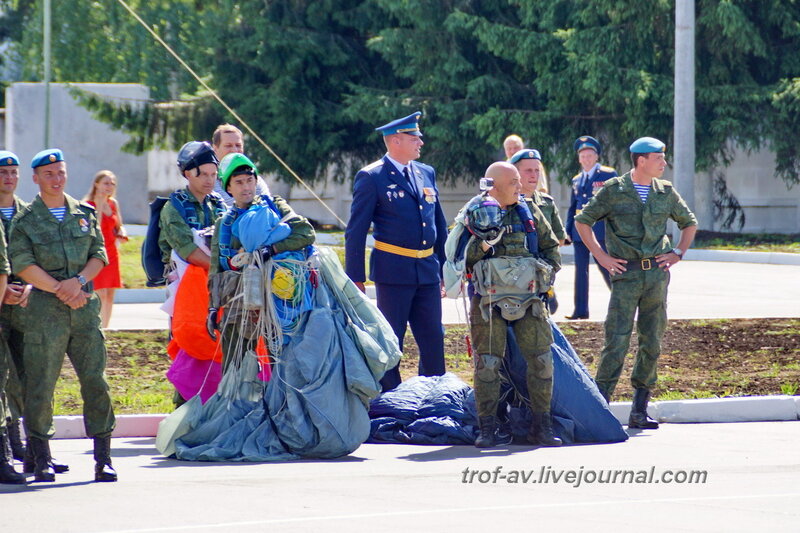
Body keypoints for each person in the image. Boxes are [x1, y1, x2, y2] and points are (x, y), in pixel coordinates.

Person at [8, 149, 117, 482]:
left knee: (96, 383)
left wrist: (79, 282)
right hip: (44, 314)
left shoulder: (83, 213)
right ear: (36, 179)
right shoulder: (24, 220)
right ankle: (41, 456)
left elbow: (100, 254)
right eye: (49, 174)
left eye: (61, 172)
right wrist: (62, 289)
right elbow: (23, 265)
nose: (57, 179)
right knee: (40, 386)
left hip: (83, 310)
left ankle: (103, 457)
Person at [574, 137, 697, 429]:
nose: (664, 163)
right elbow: (583, 220)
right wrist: (601, 256)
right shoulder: (614, 190)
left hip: (656, 275)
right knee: (616, 340)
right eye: (658, 158)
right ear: (641, 160)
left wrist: (678, 252)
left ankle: (639, 410)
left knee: (651, 339)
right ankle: (599, 408)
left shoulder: (665, 192)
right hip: (626, 275)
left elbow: (688, 222)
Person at [345, 111, 448, 391]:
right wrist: (356, 277)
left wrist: (445, 268)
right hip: (393, 272)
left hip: (427, 270)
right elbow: (356, 230)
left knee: (433, 337)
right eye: (414, 138)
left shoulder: (425, 172)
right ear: (395, 141)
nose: (420, 143)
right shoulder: (372, 176)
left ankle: (434, 395)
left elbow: (437, 222)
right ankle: (391, 400)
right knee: (392, 339)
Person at [463, 162, 562, 448]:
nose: (520, 187)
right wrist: (483, 243)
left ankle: (541, 427)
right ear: (493, 186)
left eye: (520, 181)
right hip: (489, 301)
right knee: (488, 364)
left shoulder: (529, 212)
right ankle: (488, 428)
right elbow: (462, 260)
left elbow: (551, 249)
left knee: (542, 361)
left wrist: (540, 274)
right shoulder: (475, 213)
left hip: (529, 299)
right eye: (513, 183)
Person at [207, 152, 315, 372]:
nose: (246, 187)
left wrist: (272, 249)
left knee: (283, 362)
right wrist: (212, 307)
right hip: (239, 301)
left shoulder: (275, 207)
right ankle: (240, 406)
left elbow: (306, 233)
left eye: (250, 180)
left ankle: (282, 404)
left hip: (278, 298)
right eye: (239, 182)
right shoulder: (224, 225)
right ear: (228, 188)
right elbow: (217, 267)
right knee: (236, 368)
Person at [159, 141, 226, 406]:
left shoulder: (218, 204)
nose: (210, 180)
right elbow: (188, 250)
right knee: (188, 350)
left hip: (217, 291)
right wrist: (221, 267)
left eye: (213, 174)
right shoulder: (173, 207)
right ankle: (182, 417)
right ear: (188, 173)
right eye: (203, 174)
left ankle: (214, 415)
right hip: (185, 294)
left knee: (217, 350)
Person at [564, 136, 617, 319]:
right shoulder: (577, 180)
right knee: (581, 271)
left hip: (600, 230)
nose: (586, 159)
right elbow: (573, 207)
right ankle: (580, 310)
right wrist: (567, 231)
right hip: (580, 232)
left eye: (589, 155)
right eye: (583, 156)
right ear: (579, 159)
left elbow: (614, 203)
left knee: (606, 266)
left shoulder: (608, 175)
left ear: (596, 157)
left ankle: (622, 303)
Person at [0, 151, 29, 463]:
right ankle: (6, 449)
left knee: (23, 376)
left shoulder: (28, 213)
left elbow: (40, 257)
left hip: (25, 305)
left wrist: (30, 286)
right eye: (2, 172)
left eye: (13, 172)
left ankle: (19, 443)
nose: (8, 178)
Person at [85, 170, 128, 328]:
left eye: (112, 183)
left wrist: (122, 232)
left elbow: (118, 225)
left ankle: (106, 328)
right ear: (96, 184)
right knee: (100, 292)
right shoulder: (88, 205)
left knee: (110, 293)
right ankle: (97, 326)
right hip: (96, 253)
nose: (109, 186)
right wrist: (100, 203)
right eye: (106, 183)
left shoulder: (113, 203)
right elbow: (95, 227)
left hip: (112, 252)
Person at [211, 124, 270, 206]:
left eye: (238, 145)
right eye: (228, 146)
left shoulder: (255, 178)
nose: (235, 150)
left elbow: (267, 206)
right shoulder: (209, 182)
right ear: (215, 148)